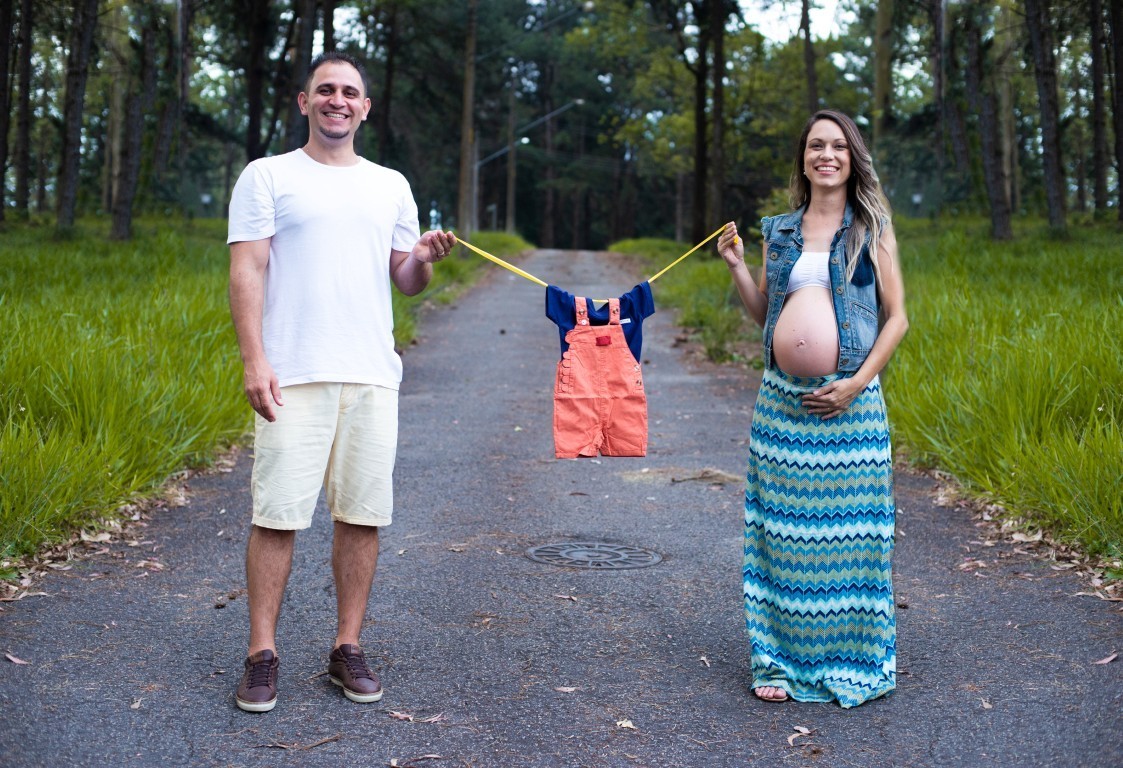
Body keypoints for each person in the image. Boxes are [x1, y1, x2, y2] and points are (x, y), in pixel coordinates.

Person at [226, 51, 456, 713]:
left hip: (371, 375)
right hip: (293, 373)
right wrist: (254, 361)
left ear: (365, 108)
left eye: (349, 92)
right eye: (324, 89)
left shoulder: (390, 185)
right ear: (305, 102)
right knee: (277, 515)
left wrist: (423, 258)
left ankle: (346, 647)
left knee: (361, 516)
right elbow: (247, 270)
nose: (337, 100)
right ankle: (261, 654)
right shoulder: (267, 176)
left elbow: (405, 280)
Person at [717, 110, 908, 707]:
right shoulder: (779, 231)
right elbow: (765, 313)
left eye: (838, 146)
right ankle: (777, 660)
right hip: (781, 405)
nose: (827, 155)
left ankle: (849, 659)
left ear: (853, 158)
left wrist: (856, 385)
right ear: (803, 159)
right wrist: (737, 267)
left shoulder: (871, 228)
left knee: (852, 543)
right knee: (781, 537)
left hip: (851, 409)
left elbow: (897, 319)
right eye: (816, 146)